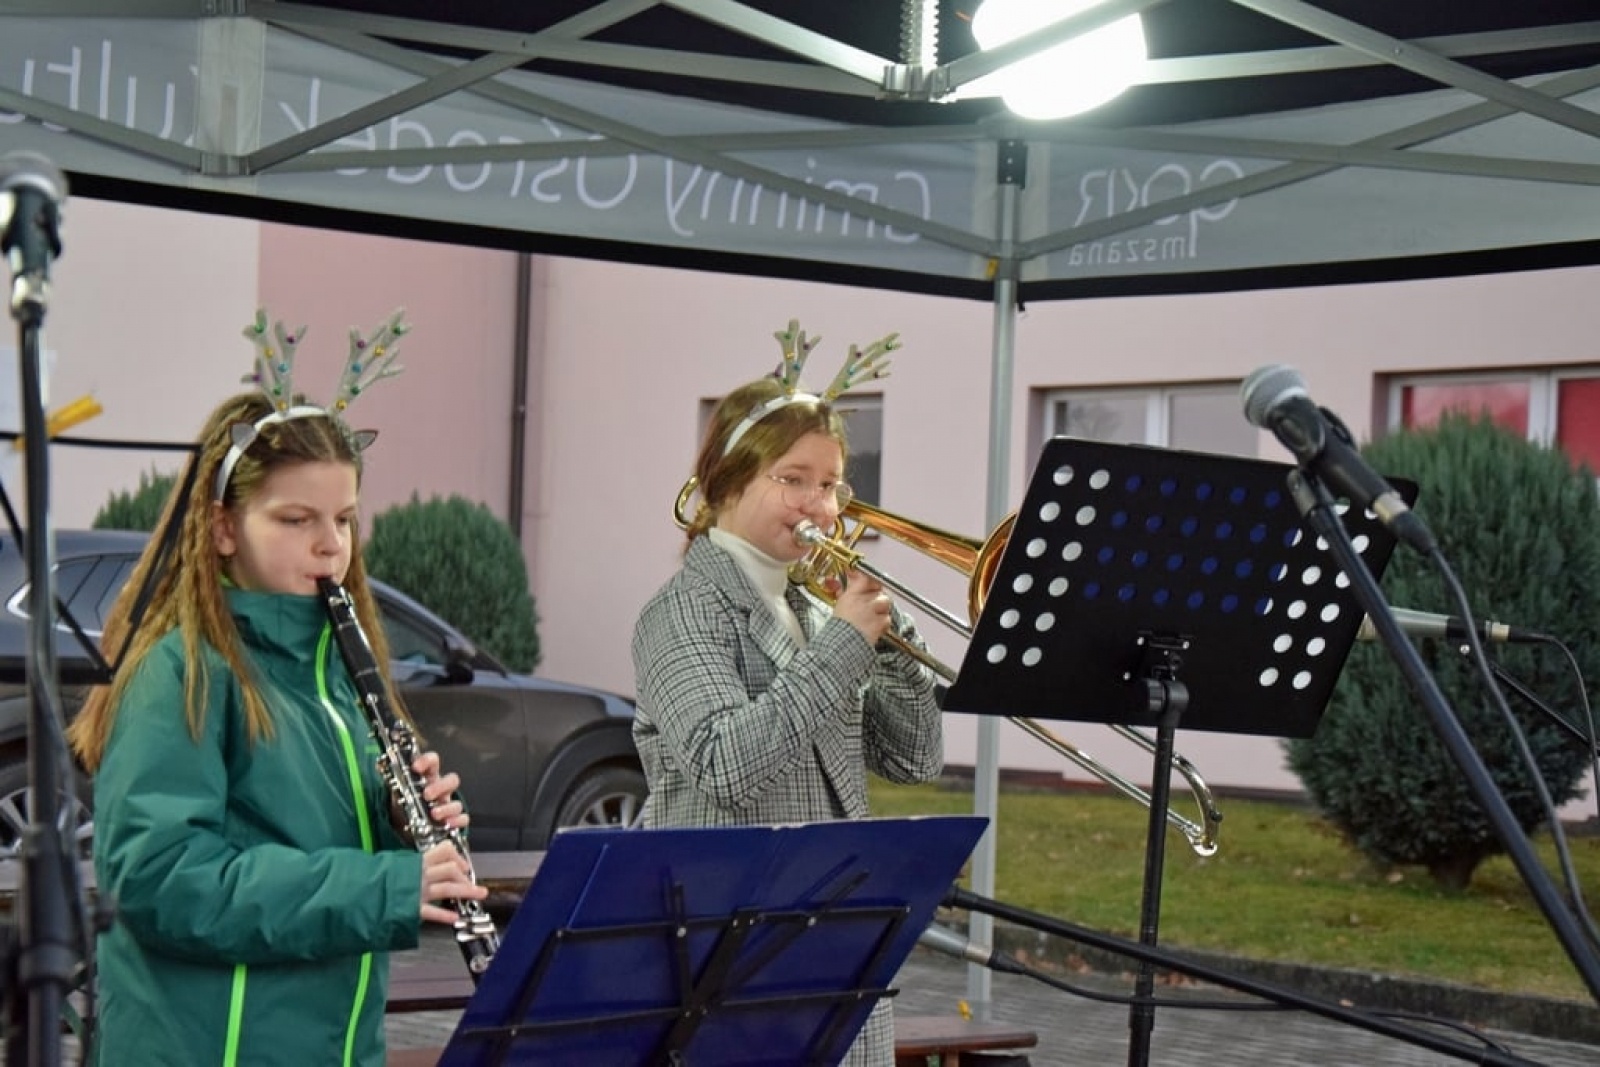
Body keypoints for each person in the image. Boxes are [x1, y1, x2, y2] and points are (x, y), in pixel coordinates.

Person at [66, 310, 487, 1067]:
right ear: (224, 528)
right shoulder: (183, 671)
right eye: (296, 519)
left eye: (345, 519)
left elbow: (302, 842)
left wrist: (397, 822)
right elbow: (161, 878)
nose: (331, 543)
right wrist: (384, 885)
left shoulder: (340, 671)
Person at [631, 321, 944, 1066]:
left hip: (835, 952)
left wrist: (894, 648)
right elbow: (727, 765)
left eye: (830, 482)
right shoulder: (681, 611)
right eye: (792, 478)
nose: (819, 503)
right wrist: (843, 645)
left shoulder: (813, 608)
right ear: (729, 482)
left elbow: (918, 759)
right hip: (725, 958)